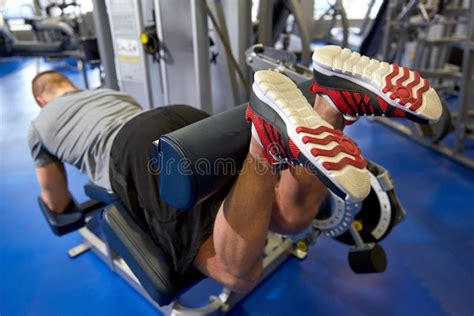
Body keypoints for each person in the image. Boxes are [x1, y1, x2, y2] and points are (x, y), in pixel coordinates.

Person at [28, 45, 442, 293]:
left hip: (139, 149)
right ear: (71, 88)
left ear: (42, 99)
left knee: (237, 272)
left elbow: (57, 199)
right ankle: (331, 104)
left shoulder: (39, 125)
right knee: (291, 218)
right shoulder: (107, 92)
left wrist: (63, 210)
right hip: (183, 120)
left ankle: (265, 138)